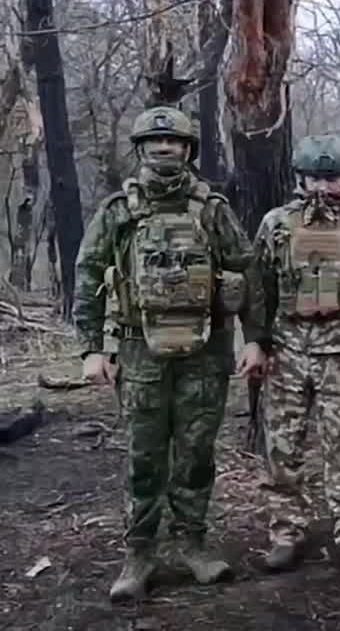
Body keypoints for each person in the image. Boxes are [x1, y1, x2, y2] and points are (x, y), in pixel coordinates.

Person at [72, 106, 256, 601]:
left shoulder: (212, 209)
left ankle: (193, 544)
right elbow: (88, 274)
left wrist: (255, 339)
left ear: (188, 150)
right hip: (139, 350)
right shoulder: (119, 210)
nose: (163, 149)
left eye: (173, 142)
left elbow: (246, 270)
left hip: (206, 348)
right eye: (154, 143)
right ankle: (139, 554)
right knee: (144, 455)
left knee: (196, 452)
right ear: (140, 150)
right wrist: (92, 349)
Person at [236, 135, 340, 579]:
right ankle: (286, 532)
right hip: (287, 352)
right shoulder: (277, 224)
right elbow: (259, 287)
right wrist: (255, 343)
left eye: (331, 179)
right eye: (314, 179)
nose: (323, 187)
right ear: (300, 180)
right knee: (283, 449)